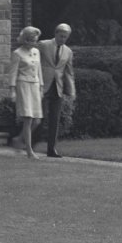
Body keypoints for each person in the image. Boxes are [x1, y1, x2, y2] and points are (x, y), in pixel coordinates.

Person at [37, 22, 76, 158]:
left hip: (57, 88)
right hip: (42, 86)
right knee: (39, 118)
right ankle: (30, 144)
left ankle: (51, 149)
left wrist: (71, 91)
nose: (62, 39)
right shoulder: (43, 45)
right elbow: (33, 62)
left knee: (55, 120)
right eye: (61, 36)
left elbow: (69, 72)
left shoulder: (68, 52)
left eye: (65, 37)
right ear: (56, 34)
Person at [7, 26, 43, 159]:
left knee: (37, 120)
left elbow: (39, 70)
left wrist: (41, 87)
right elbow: (13, 73)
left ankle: (19, 139)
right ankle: (29, 151)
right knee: (28, 119)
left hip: (35, 86)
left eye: (35, 40)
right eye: (31, 40)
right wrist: (12, 90)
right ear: (25, 40)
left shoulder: (36, 52)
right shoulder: (17, 53)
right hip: (23, 86)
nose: (34, 43)